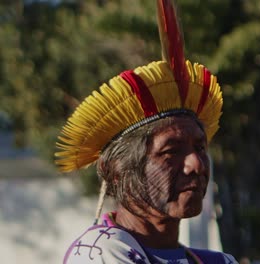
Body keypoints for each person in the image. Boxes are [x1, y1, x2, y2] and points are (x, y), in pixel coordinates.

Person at [57, 1, 237, 263]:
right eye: (171, 151)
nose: (196, 164)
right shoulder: (99, 253)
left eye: (200, 147)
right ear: (116, 170)